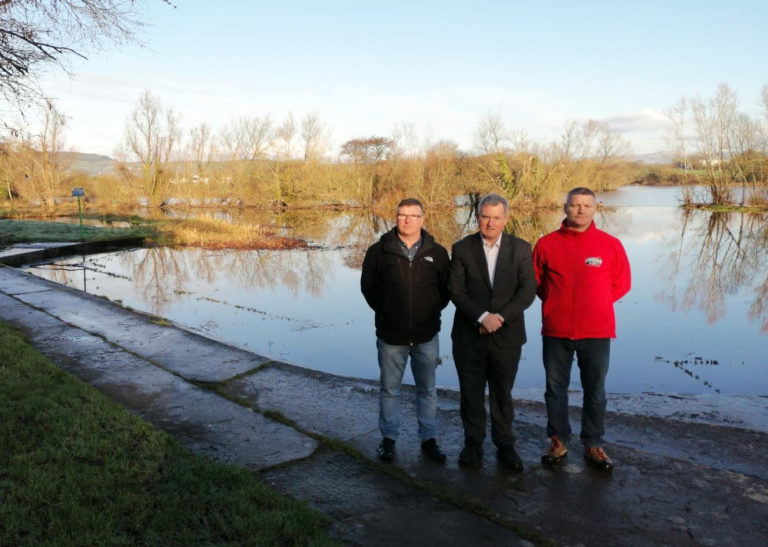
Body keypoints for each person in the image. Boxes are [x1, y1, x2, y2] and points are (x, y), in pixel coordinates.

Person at [532, 187, 631, 471]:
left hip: (597, 331)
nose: (581, 210)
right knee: (555, 389)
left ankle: (593, 443)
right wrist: (558, 302)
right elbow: (537, 283)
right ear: (565, 207)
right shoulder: (546, 244)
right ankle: (558, 440)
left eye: (586, 205)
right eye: (575, 205)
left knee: (595, 390)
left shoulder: (610, 244)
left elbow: (622, 283)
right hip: (556, 329)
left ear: (595, 208)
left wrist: (596, 302)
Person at [447, 193, 537, 470]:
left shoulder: (521, 248)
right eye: (485, 216)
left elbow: (528, 291)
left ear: (505, 219)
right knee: (471, 392)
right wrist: (482, 316)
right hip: (469, 335)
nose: (490, 222)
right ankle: (473, 443)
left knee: (502, 393)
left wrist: (500, 317)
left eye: (496, 217)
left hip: (507, 335)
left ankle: (505, 444)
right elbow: (455, 290)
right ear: (477, 218)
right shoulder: (462, 248)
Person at [361, 198, 450, 463]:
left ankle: (429, 439)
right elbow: (369, 289)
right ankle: (388, 439)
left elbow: (445, 291)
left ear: (423, 219)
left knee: (428, 390)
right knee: (390, 390)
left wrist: (429, 312)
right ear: (396, 218)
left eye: (413, 215)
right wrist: (388, 312)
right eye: (402, 215)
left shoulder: (438, 252)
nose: (407, 220)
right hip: (391, 336)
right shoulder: (379, 251)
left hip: (426, 335)